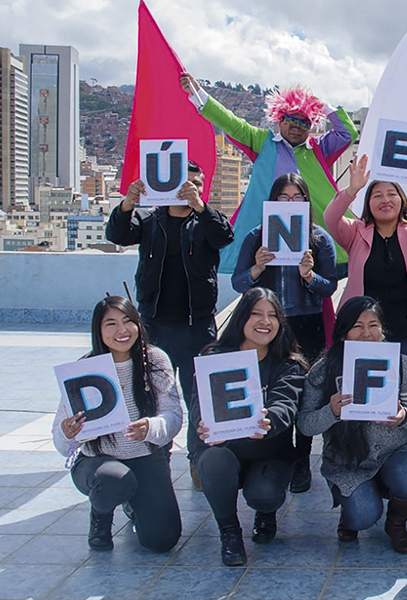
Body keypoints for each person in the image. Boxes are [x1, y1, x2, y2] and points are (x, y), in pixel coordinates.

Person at [105, 163, 234, 490]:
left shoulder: (206, 220)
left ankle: (197, 459)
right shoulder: (150, 221)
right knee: (153, 398)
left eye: (197, 182)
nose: (191, 186)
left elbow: (224, 236)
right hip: (154, 326)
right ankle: (156, 460)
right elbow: (117, 234)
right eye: (186, 182)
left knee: (198, 399)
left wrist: (200, 207)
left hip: (197, 326)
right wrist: (128, 203)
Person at [179, 73, 357, 267]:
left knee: (317, 289)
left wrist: (320, 105)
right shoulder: (262, 142)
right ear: (280, 120)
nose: (297, 127)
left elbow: (348, 132)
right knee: (261, 289)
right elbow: (230, 122)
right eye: (291, 119)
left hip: (312, 240)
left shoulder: (318, 149)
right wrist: (198, 93)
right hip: (267, 240)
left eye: (304, 122)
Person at [297, 297, 407, 552]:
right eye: (357, 326)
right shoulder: (324, 369)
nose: (367, 333)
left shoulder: (401, 364)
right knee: (363, 516)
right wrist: (331, 411)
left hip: (393, 453)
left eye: (374, 325)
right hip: (347, 462)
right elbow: (304, 424)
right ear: (344, 333)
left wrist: (404, 417)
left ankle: (396, 525)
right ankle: (351, 509)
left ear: (383, 330)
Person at [232, 173, 337, 494]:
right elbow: (238, 283)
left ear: (306, 203)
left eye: (297, 198)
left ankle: (302, 459)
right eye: (283, 198)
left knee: (306, 394)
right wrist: (257, 269)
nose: (290, 204)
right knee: (271, 391)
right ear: (272, 201)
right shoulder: (256, 237)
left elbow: (329, 286)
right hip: (267, 327)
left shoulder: (319, 240)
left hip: (306, 324)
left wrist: (309, 275)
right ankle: (278, 455)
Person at [52, 296, 183, 553]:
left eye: (127, 321)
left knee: (162, 540)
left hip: (145, 456)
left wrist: (152, 426)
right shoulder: (84, 368)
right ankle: (101, 515)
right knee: (115, 480)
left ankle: (134, 504)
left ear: (138, 324)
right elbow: (59, 440)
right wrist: (68, 433)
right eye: (110, 324)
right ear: (98, 331)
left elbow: (174, 416)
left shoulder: (155, 360)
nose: (121, 330)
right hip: (98, 462)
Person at [192, 288, 305, 567]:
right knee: (215, 461)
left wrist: (269, 420)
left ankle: (265, 513)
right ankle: (229, 532)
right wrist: (201, 425)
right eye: (256, 314)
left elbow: (286, 405)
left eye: (272, 315)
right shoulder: (214, 358)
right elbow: (198, 406)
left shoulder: (288, 364)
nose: (264, 321)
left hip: (269, 453)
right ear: (241, 317)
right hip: (225, 451)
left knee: (264, 495)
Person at [325, 154, 407, 366]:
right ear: (368, 203)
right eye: (377, 195)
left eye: (391, 194)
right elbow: (330, 218)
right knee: (362, 388)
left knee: (404, 386)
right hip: (361, 330)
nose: (385, 200)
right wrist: (352, 190)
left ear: (401, 200)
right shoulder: (355, 231)